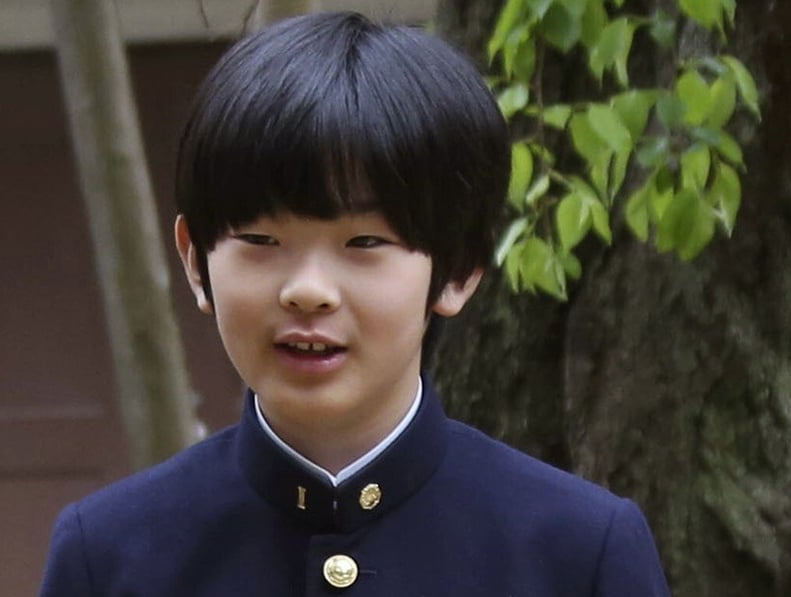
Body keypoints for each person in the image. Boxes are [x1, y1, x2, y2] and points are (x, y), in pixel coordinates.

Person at [39, 11, 671, 596]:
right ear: (195, 261)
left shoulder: (578, 551)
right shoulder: (110, 555)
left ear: (457, 269)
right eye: (262, 240)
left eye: (364, 242)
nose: (307, 290)